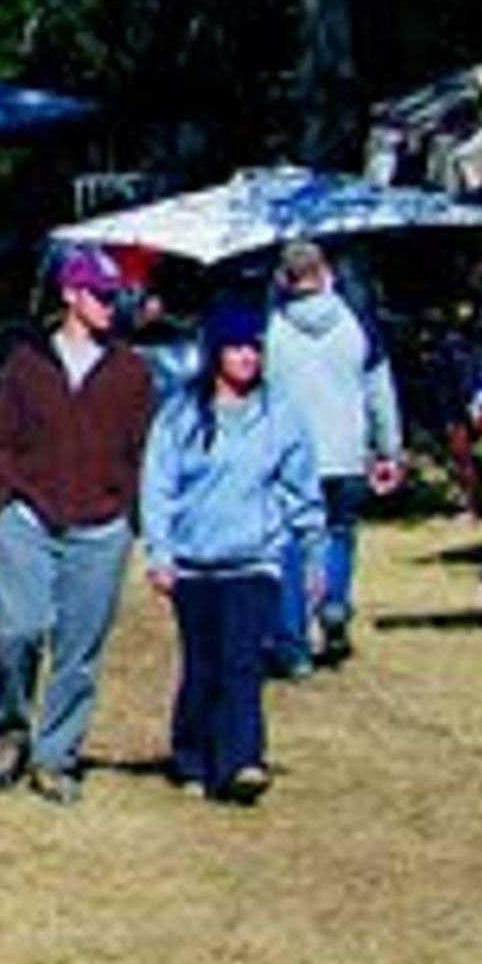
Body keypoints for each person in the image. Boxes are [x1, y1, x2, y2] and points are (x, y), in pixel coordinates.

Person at [0, 245, 159, 805]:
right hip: (30, 518)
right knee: (18, 634)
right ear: (69, 296)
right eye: (100, 296)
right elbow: (0, 438)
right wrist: (7, 500)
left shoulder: (131, 371)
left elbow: (145, 451)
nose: (111, 306)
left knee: (79, 651)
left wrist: (130, 514)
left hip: (102, 527)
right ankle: (10, 731)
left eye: (116, 297)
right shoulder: (27, 364)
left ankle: (57, 756)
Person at [138, 302, 321, 808]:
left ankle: (243, 761)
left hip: (254, 560)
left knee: (243, 662)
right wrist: (160, 552)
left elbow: (301, 488)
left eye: (254, 349)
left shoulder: (280, 414)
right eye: (237, 348)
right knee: (203, 666)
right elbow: (159, 486)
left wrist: (311, 554)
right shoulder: (180, 414)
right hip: (194, 563)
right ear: (215, 352)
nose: (247, 358)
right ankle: (192, 755)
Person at [263, 239, 404, 672]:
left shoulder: (272, 328)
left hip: (290, 455)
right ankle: (335, 603)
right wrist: (389, 450)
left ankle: (293, 643)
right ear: (326, 273)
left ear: (284, 278)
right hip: (345, 451)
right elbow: (380, 391)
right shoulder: (356, 323)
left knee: (289, 546)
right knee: (339, 533)